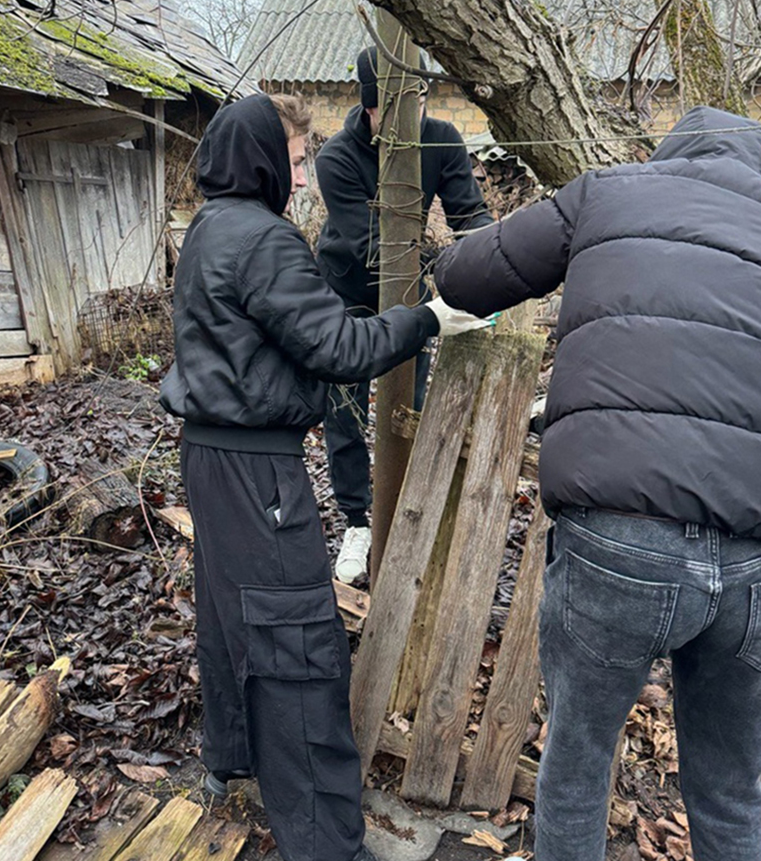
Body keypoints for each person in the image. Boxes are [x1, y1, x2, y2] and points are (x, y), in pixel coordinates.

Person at [160, 92, 483, 861]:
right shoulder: (262, 239)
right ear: (266, 157)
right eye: (297, 159)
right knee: (296, 642)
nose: (303, 178)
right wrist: (430, 318)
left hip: (210, 456)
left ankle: (229, 762)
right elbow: (336, 348)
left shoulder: (209, 227)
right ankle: (327, 843)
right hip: (256, 468)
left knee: (231, 615)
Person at [433, 105, 761, 861]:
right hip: (752, 555)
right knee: (734, 790)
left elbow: (466, 275)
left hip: (621, 538)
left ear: (668, 153)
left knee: (579, 769)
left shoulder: (610, 191)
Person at [316, 46, 494, 583]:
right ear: (371, 108)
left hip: (410, 282)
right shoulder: (338, 158)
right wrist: (436, 271)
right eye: (397, 105)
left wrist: (493, 260)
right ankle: (357, 521)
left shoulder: (441, 139)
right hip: (348, 286)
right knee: (344, 404)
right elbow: (371, 243)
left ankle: (404, 506)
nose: (412, 115)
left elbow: (470, 214)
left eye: (418, 100)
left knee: (408, 399)